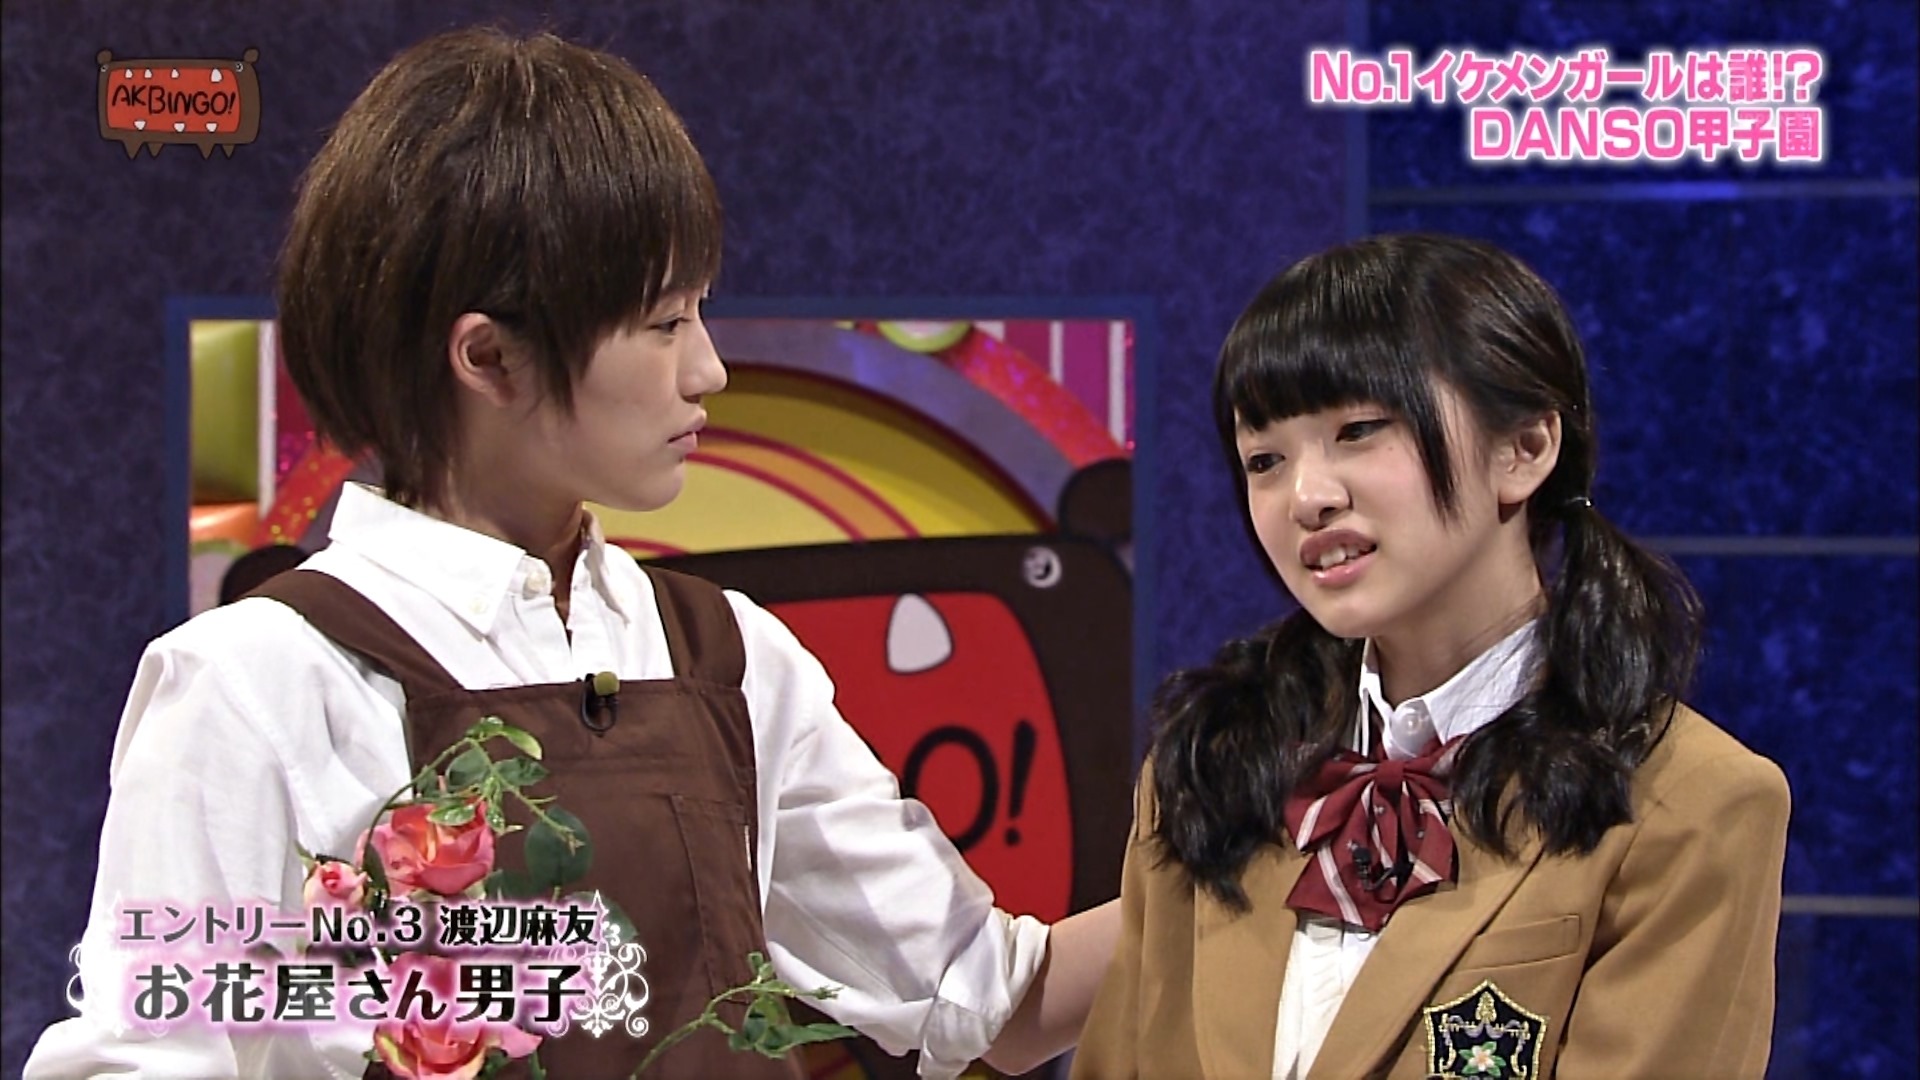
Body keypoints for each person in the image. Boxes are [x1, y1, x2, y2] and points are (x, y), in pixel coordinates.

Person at [28, 26, 1114, 1080]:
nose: (709, 369)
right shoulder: (253, 684)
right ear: (488, 357)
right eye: (663, 322)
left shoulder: (729, 658)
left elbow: (988, 1001)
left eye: (701, 313)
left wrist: (1212, 864)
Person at [1071, 233, 1789, 1079]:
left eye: (1359, 430)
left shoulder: (1692, 804)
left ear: (1524, 450)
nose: (1308, 497)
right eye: (1265, 459)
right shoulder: (1212, 767)